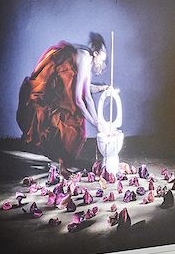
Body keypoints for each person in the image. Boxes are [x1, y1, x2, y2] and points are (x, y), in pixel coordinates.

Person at [17, 32, 108, 168]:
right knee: (70, 122)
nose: (103, 63)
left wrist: (101, 91)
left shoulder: (87, 60)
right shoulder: (85, 57)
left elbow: (87, 94)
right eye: (102, 58)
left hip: (61, 83)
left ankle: (57, 160)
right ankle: (56, 159)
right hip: (54, 82)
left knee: (72, 124)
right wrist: (95, 123)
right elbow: (79, 99)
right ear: (95, 54)